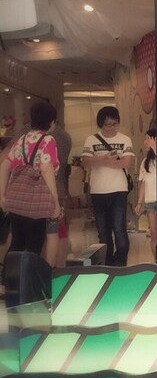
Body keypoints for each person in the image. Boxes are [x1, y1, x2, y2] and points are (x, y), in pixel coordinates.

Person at [0, 101, 61, 258]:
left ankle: (10, 272)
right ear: (51, 122)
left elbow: (4, 166)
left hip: (16, 199)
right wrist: (55, 201)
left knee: (17, 242)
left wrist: (2, 195)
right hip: (36, 203)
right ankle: (29, 274)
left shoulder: (21, 139)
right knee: (34, 246)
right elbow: (46, 169)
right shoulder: (48, 140)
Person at [81, 107, 134, 267]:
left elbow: (127, 163)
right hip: (98, 191)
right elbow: (85, 162)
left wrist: (100, 161)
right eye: (107, 125)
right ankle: (107, 264)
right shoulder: (91, 140)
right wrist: (105, 159)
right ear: (100, 124)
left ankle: (120, 263)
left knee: (119, 229)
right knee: (103, 232)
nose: (111, 128)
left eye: (114, 124)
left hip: (119, 189)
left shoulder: (125, 139)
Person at [46, 112, 73, 268]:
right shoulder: (63, 136)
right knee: (57, 229)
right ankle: (58, 268)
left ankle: (47, 268)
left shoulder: (45, 138)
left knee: (50, 231)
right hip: (58, 189)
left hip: (44, 191)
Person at [135, 126, 157, 256]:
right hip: (150, 201)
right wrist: (139, 203)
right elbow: (143, 183)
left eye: (148, 139)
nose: (145, 142)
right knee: (154, 233)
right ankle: (156, 259)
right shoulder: (145, 162)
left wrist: (155, 147)